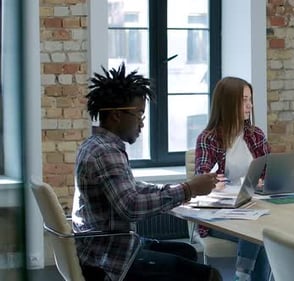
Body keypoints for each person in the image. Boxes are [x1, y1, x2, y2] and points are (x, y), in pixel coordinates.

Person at [72, 63, 222, 281]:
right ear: (116, 115)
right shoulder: (105, 153)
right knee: (211, 276)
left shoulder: (97, 145)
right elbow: (131, 207)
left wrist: (181, 189)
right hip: (110, 259)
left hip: (101, 248)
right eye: (139, 114)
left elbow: (129, 189)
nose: (142, 123)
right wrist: (188, 189)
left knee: (187, 252)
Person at [195, 76, 271, 281]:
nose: (250, 105)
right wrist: (212, 182)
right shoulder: (208, 138)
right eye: (245, 100)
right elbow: (201, 176)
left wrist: (266, 181)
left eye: (250, 99)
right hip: (220, 215)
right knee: (260, 234)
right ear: (229, 103)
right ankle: (242, 275)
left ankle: (242, 276)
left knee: (264, 230)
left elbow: (268, 171)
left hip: (255, 207)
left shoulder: (256, 135)